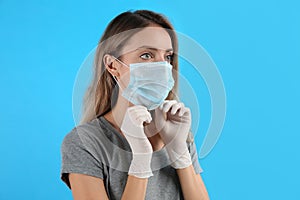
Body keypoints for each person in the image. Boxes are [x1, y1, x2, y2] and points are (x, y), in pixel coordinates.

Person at [60, 10, 210, 200]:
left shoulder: (177, 130)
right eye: (146, 55)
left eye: (167, 57)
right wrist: (140, 159)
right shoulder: (85, 142)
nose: (162, 66)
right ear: (113, 65)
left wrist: (179, 152)